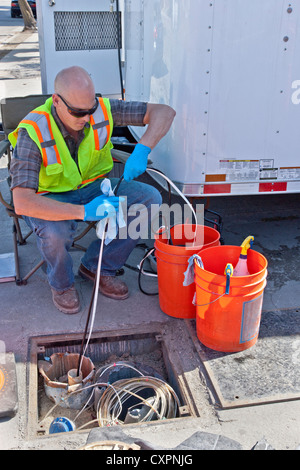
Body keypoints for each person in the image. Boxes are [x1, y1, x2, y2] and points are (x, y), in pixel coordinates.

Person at [9, 66, 176, 314]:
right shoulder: (32, 132)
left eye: (90, 110)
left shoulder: (102, 109)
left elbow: (164, 112)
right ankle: (62, 285)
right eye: (78, 112)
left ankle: (98, 267)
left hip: (95, 187)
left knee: (149, 198)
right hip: (51, 198)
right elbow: (23, 202)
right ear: (56, 101)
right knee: (55, 233)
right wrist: (83, 211)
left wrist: (143, 148)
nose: (86, 118)